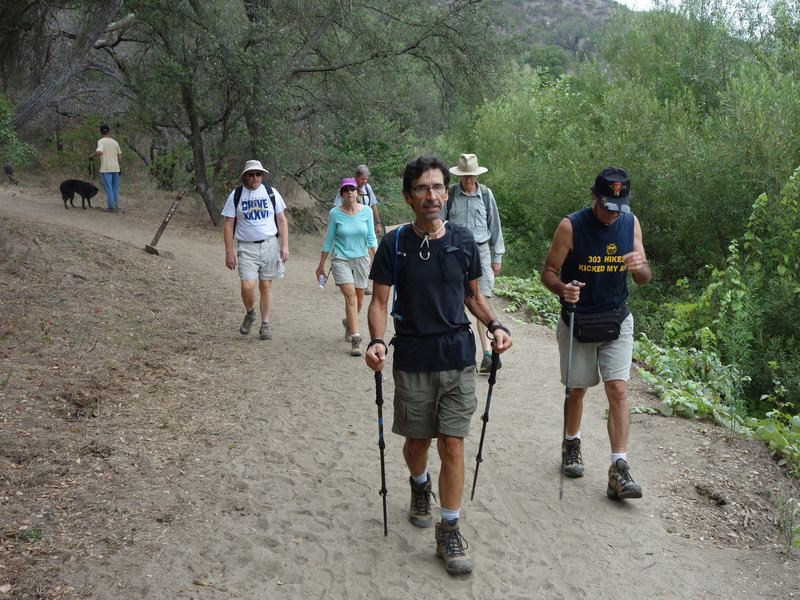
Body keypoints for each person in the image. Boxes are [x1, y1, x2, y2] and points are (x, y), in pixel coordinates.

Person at [365, 155, 512, 575]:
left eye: (438, 187)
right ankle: (419, 484)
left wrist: (496, 325)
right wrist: (376, 341)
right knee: (418, 444)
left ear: (447, 191)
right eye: (422, 188)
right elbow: (377, 302)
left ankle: (449, 529)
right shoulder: (394, 244)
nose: (432, 195)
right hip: (412, 356)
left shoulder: (464, 241)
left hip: (457, 355)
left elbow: (473, 296)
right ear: (409, 196)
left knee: (452, 443)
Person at [540, 166, 652, 500]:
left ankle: (619, 467)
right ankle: (571, 443)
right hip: (578, 320)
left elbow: (644, 277)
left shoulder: (630, 224)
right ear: (593, 196)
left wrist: (639, 268)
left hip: (617, 320)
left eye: (619, 207)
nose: (612, 214)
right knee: (577, 391)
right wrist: (562, 289)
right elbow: (547, 272)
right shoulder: (570, 226)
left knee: (617, 390)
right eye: (606, 206)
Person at [445, 153, 505, 374]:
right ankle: (454, 352)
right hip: (453, 252)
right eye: (465, 176)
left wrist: (496, 257)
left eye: (471, 176)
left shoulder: (486, 195)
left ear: (476, 175)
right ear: (460, 176)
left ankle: (487, 354)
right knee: (454, 300)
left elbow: (495, 226)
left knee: (483, 301)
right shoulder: (449, 194)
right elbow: (440, 225)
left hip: (481, 251)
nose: (468, 180)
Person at [222, 160, 290, 341]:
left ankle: (265, 324)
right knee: (247, 285)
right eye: (251, 174)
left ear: (262, 176)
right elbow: (228, 224)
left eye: (258, 174)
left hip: (269, 244)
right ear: (245, 176)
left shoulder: (271, 193)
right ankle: (250, 313)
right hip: (246, 246)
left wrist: (284, 245)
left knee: (266, 286)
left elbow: (282, 220)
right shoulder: (236, 194)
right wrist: (229, 252)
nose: (255, 178)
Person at [316, 177, 378, 356]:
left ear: (358, 192)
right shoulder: (335, 213)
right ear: (342, 194)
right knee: (350, 298)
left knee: (359, 299)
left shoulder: (366, 211)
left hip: (361, 259)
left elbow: (371, 238)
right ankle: (356, 339)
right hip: (341, 259)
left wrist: (378, 257)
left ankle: (349, 322)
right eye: (346, 190)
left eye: (352, 189)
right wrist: (321, 265)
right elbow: (329, 240)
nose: (350, 192)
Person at [334, 165, 382, 295]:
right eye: (362, 179)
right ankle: (352, 280)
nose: (364, 182)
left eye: (366, 179)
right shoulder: (345, 189)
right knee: (358, 252)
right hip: (350, 226)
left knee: (366, 253)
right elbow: (338, 208)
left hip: (365, 225)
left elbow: (373, 205)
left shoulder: (367, 188)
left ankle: (362, 283)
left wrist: (377, 222)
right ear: (355, 176)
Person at [89, 124, 122, 212]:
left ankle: (111, 207)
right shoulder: (115, 142)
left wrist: (92, 156)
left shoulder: (101, 141)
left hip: (106, 167)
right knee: (115, 187)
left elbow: (99, 151)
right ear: (109, 132)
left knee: (108, 187)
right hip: (116, 167)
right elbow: (120, 156)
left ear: (100, 132)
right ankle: (116, 205)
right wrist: (119, 165)